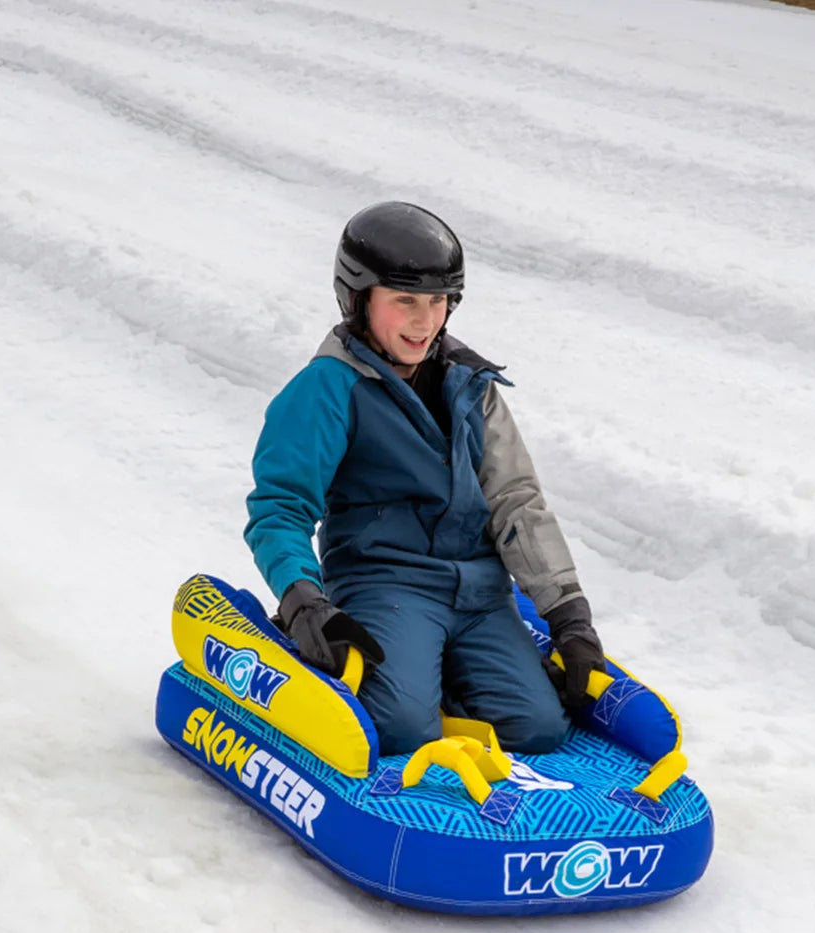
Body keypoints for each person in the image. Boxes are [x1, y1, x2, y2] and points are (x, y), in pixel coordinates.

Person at [245, 201, 605, 756]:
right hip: (386, 584)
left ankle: (437, 676)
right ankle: (354, 670)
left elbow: (516, 501)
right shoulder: (328, 388)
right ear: (358, 300)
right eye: (405, 301)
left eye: (438, 301)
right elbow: (280, 508)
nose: (425, 320)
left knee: (540, 728)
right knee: (400, 728)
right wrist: (302, 600)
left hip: (480, 595)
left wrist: (569, 615)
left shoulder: (472, 384)